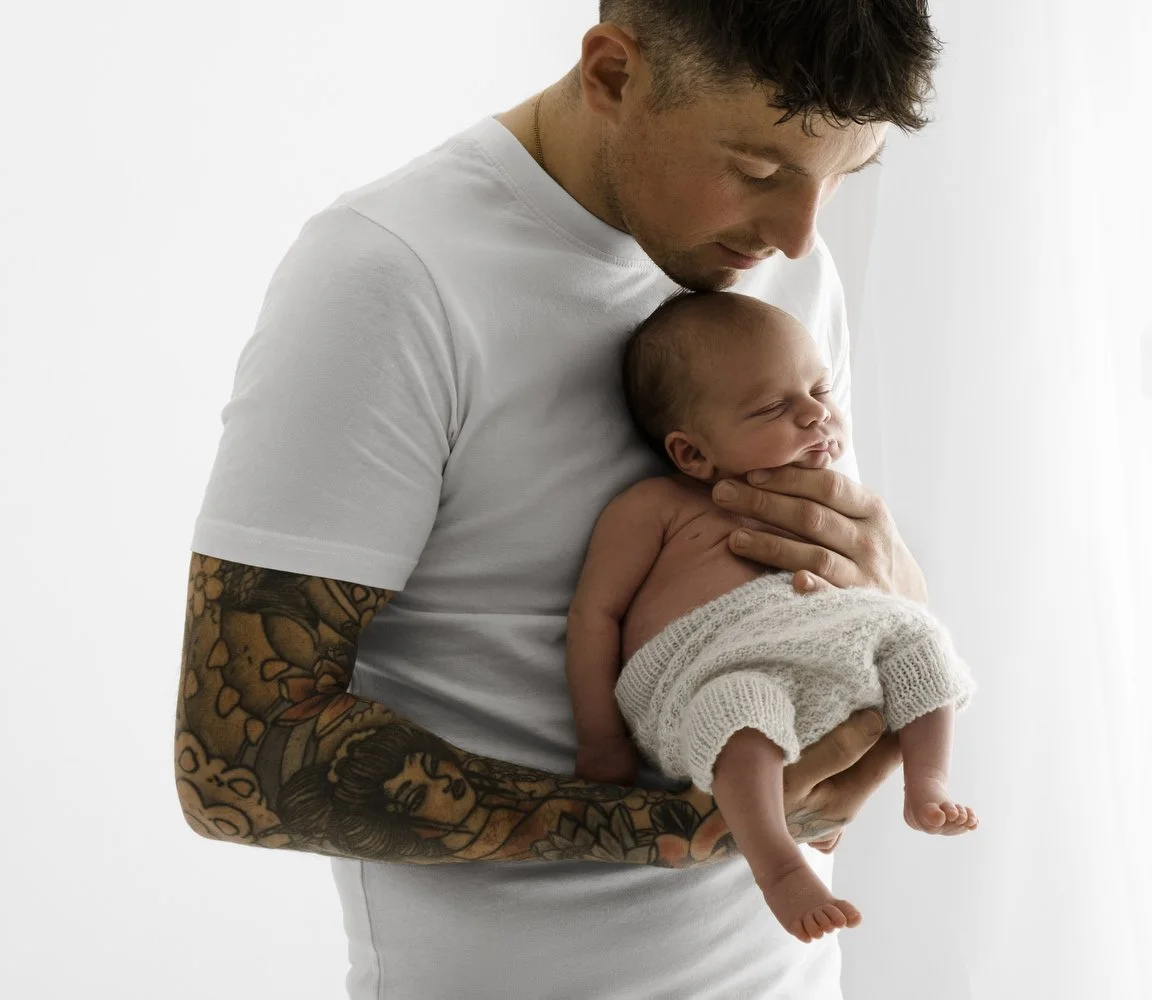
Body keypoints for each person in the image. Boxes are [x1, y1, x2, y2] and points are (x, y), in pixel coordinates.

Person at [176, 1, 943, 997]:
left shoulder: (784, 275)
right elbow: (237, 759)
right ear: (614, 74)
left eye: (842, 176)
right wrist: (687, 831)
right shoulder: (391, 277)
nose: (801, 235)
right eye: (758, 170)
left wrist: (894, 593)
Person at [567, 289, 978, 944]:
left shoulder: (838, 504)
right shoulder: (655, 506)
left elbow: (875, 606)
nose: (817, 414)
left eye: (819, 390)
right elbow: (595, 615)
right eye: (774, 407)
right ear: (692, 454)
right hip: (703, 670)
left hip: (815, 653)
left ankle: (927, 785)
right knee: (741, 709)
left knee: (919, 635)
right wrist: (600, 739)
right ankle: (779, 864)